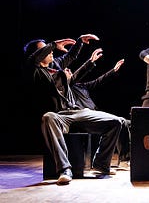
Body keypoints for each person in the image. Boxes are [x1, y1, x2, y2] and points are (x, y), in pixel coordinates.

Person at [23, 34, 124, 185]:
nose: (51, 52)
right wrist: (54, 44)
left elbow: (70, 56)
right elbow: (34, 60)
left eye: (49, 50)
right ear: (38, 54)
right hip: (59, 116)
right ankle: (64, 169)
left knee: (116, 122)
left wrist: (80, 42)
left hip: (76, 111)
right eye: (45, 50)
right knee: (47, 117)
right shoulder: (35, 71)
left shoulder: (55, 65)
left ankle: (101, 164)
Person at [66, 51, 131, 163]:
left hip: (94, 113)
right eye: (66, 70)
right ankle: (111, 161)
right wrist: (91, 62)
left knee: (126, 122)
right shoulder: (66, 87)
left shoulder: (81, 86)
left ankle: (127, 158)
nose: (69, 71)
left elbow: (98, 81)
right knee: (118, 122)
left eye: (70, 70)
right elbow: (73, 78)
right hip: (83, 117)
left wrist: (113, 71)